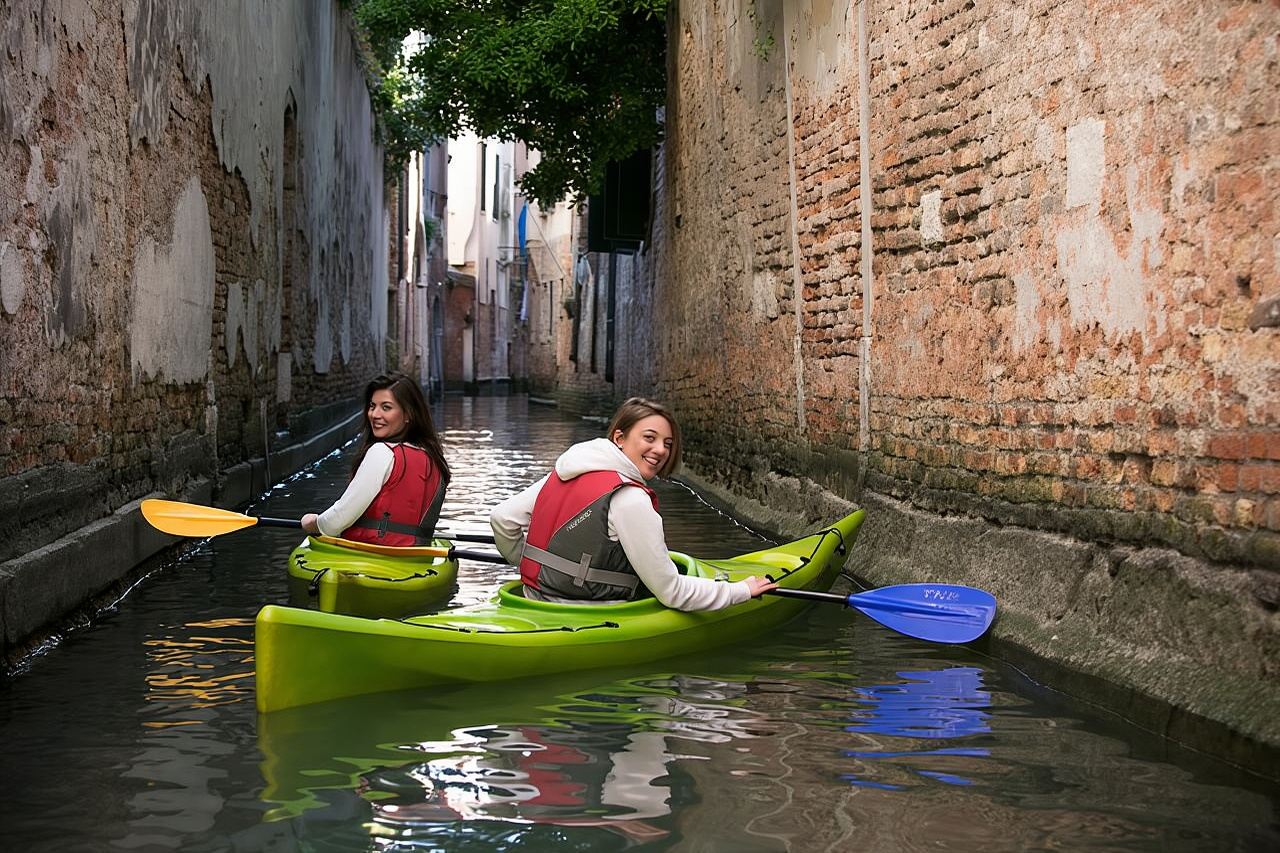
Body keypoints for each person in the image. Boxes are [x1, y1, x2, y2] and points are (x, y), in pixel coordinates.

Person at [490, 397, 776, 610]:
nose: (660, 450)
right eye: (649, 438)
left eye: (668, 443)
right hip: (587, 611)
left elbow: (503, 518)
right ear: (620, 438)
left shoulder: (565, 471)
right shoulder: (630, 499)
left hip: (533, 598)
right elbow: (671, 592)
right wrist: (740, 591)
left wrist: (530, 564)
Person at [301, 372, 450, 546]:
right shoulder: (434, 458)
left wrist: (313, 522)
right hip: (416, 558)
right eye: (372, 406)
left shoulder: (381, 452)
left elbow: (336, 522)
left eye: (386, 407)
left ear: (408, 414)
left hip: (372, 555)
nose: (374, 414)